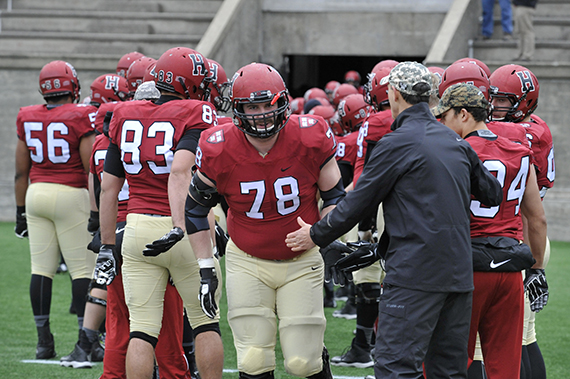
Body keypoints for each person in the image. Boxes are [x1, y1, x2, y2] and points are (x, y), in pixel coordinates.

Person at [285, 61, 503, 379]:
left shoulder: (396, 142)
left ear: (395, 94)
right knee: (449, 372)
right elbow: (493, 194)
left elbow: (358, 203)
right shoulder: (456, 142)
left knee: (395, 368)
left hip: (415, 274)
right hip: (458, 274)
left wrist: (316, 234)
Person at [149, 62, 340, 379]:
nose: (262, 114)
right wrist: (206, 267)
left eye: (268, 104)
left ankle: (317, 356)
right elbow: (195, 209)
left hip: (302, 258)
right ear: (238, 109)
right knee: (252, 359)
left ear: (283, 102)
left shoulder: (311, 135)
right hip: (247, 260)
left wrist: (322, 235)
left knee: (302, 362)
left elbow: (335, 197)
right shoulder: (218, 145)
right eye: (253, 106)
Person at [99, 46, 224, 379]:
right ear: (188, 83)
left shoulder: (124, 112)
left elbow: (108, 188)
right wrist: (183, 226)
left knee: (141, 331)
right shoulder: (196, 111)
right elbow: (181, 172)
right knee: (205, 323)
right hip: (183, 228)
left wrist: (106, 246)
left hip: (137, 229)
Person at [433, 83, 547, 379]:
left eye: (445, 116)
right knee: (505, 368)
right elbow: (536, 219)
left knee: (450, 363)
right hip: (510, 270)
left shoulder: (455, 151)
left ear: (463, 114)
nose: (442, 123)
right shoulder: (520, 149)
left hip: (465, 268)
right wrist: (536, 270)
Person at [14, 60, 98, 360]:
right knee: (81, 271)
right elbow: (91, 170)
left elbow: (20, 172)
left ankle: (43, 343)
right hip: (70, 194)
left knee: (41, 269)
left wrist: (20, 211)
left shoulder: (27, 115)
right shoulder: (81, 114)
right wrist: (98, 211)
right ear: (72, 86)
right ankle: (84, 340)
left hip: (36, 194)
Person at [489, 64, 553, 379]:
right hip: (516, 238)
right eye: (493, 98)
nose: (496, 106)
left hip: (523, 239)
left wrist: (535, 266)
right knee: (523, 336)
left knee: (521, 338)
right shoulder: (533, 127)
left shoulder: (526, 134)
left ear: (524, 102)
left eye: (504, 100)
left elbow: (532, 213)